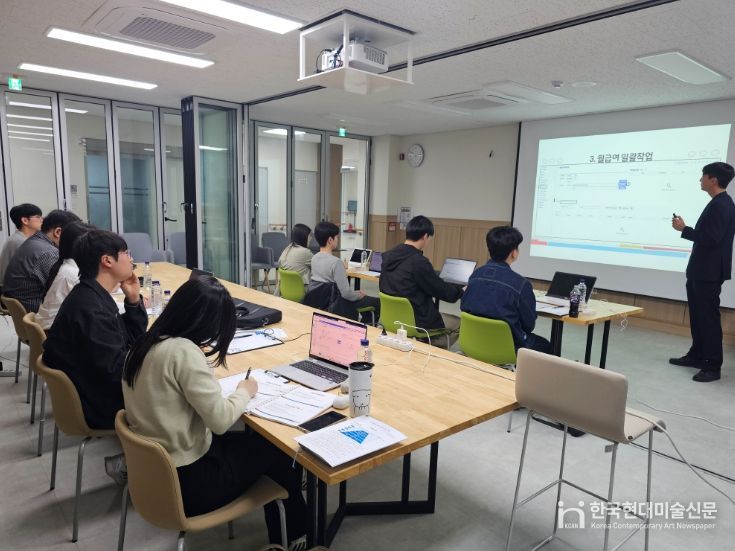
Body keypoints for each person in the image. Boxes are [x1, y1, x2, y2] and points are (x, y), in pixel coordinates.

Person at [122, 276, 307, 548]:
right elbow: (220, 421)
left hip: (155, 477)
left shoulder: (143, 344)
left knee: (257, 443)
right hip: (192, 484)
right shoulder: (183, 352)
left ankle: (291, 525)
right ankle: (294, 536)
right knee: (282, 450)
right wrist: (245, 390)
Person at [42, 230, 147, 430]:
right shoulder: (91, 309)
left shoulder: (90, 294)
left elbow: (130, 338)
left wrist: (133, 300)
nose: (131, 259)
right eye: (126, 253)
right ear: (107, 260)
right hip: (102, 405)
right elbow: (117, 372)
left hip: (96, 390)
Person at [670, 162, 735, 383]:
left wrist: (684, 229)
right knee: (698, 317)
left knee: (708, 319)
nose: (700, 180)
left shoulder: (722, 205)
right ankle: (697, 355)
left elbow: (712, 238)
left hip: (709, 272)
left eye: (703, 176)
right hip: (701, 271)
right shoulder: (718, 203)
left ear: (713, 180)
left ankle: (712, 366)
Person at [461, 226, 551, 353]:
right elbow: (529, 325)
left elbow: (464, 307)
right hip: (508, 347)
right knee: (546, 346)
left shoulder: (475, 275)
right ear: (513, 253)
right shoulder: (521, 284)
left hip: (474, 342)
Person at [379, 215, 463, 344]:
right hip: (417, 321)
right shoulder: (418, 262)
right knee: (458, 323)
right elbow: (443, 292)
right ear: (425, 236)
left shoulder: (388, 256)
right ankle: (428, 348)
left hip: (392, 320)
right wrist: (461, 291)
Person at [2, 209, 80, 312]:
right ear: (58, 232)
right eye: (74, 237)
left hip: (24, 306)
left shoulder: (33, 241)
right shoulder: (48, 253)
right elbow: (66, 288)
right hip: (35, 309)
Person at [308, 221, 380, 321]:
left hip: (322, 302)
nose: (337, 239)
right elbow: (346, 294)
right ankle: (364, 327)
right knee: (377, 302)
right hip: (337, 304)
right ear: (330, 240)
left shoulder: (314, 258)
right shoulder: (336, 263)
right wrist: (358, 295)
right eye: (336, 237)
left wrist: (354, 293)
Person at [35, 221, 95, 331]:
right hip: (55, 331)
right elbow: (94, 306)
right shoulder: (72, 273)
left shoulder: (65, 265)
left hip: (53, 325)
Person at [0, 203, 43, 289]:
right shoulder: (19, 242)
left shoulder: (20, 239)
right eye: (38, 217)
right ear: (25, 220)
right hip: (15, 290)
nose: (42, 220)